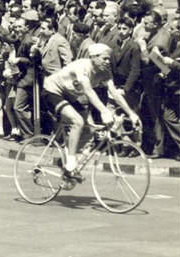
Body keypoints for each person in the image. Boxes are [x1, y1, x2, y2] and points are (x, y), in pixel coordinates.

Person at [41, 43, 140, 181]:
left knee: (89, 130)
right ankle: (70, 165)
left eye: (109, 59)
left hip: (70, 96)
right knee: (78, 121)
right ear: (93, 57)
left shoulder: (105, 73)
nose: (107, 62)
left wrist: (131, 114)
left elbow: (115, 93)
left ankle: (68, 158)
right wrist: (104, 111)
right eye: (104, 58)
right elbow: (88, 90)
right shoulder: (82, 66)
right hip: (52, 91)